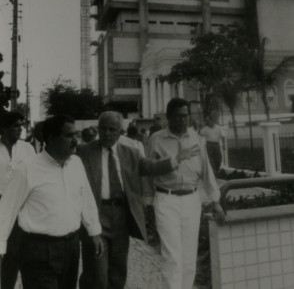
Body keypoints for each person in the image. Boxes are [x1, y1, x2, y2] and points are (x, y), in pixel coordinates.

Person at [77, 110, 198, 289]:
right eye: (104, 129)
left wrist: (176, 159)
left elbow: (151, 166)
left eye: (113, 129)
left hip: (121, 217)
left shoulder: (130, 153)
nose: (107, 133)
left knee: (118, 272)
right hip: (96, 215)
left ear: (120, 132)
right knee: (97, 273)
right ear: (98, 129)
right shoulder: (84, 152)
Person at [0, 114, 103, 289]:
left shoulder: (76, 163)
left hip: (70, 247)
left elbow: (85, 199)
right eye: (69, 136)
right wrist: (1, 247)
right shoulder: (27, 169)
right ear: (52, 138)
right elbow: (6, 209)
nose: (75, 141)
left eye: (76, 135)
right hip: (38, 250)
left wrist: (94, 231)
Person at [148, 98, 225, 289]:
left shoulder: (197, 139)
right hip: (166, 199)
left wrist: (215, 201)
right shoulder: (156, 139)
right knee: (172, 257)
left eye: (185, 116)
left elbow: (207, 171)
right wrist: (148, 202)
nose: (183, 121)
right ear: (168, 117)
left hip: (192, 200)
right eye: (178, 116)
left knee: (189, 259)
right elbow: (147, 172)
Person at [0, 111, 36, 289]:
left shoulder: (27, 149)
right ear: (4, 128)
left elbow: (35, 176)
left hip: (20, 208)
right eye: (16, 126)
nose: (20, 129)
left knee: (14, 254)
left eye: (21, 125)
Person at [200, 109, 225, 175]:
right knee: (210, 161)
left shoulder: (218, 128)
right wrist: (202, 125)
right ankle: (214, 173)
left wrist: (224, 144)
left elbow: (223, 136)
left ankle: (216, 170)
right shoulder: (205, 129)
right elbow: (199, 133)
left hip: (216, 145)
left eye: (208, 121)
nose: (207, 122)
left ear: (212, 120)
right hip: (209, 145)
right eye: (206, 121)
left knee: (218, 159)